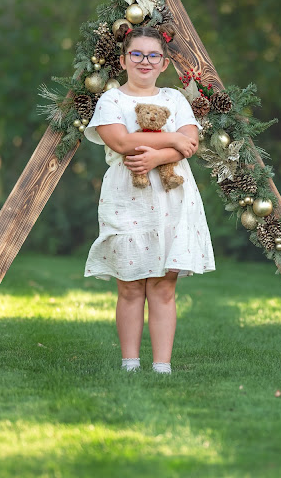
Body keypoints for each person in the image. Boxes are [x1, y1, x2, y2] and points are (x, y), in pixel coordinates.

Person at [83, 24, 215, 374]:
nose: (145, 61)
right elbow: (123, 143)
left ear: (163, 64)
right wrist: (171, 142)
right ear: (124, 60)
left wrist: (158, 157)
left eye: (153, 55)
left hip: (172, 199)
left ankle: (162, 366)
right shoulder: (112, 100)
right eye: (137, 54)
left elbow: (190, 144)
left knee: (163, 284)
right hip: (128, 196)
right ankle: (129, 363)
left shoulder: (173, 99)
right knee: (129, 284)